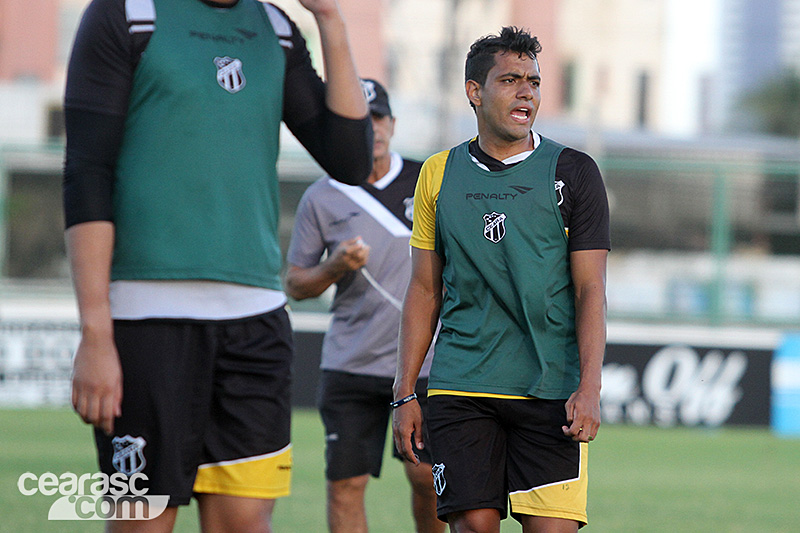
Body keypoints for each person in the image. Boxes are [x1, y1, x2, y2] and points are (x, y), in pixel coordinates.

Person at [62, 0, 372, 530]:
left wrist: (330, 19)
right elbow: (86, 173)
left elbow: (350, 159)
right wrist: (96, 331)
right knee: (145, 519)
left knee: (247, 522)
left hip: (257, 324)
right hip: (146, 322)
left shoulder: (275, 28)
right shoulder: (128, 14)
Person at [392, 26, 610, 533]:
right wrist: (405, 393)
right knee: (472, 527)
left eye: (533, 81)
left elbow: (590, 289)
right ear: (474, 92)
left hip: (551, 390)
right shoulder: (438, 173)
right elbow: (423, 289)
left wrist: (590, 385)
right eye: (510, 80)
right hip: (462, 386)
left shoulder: (574, 172)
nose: (527, 91)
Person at [284, 79, 444, 533]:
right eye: (360, 120)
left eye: (378, 118)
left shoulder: (429, 179)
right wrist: (334, 266)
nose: (372, 129)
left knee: (428, 481)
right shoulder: (323, 195)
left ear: (392, 124)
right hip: (350, 364)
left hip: (426, 366)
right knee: (346, 485)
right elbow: (296, 283)